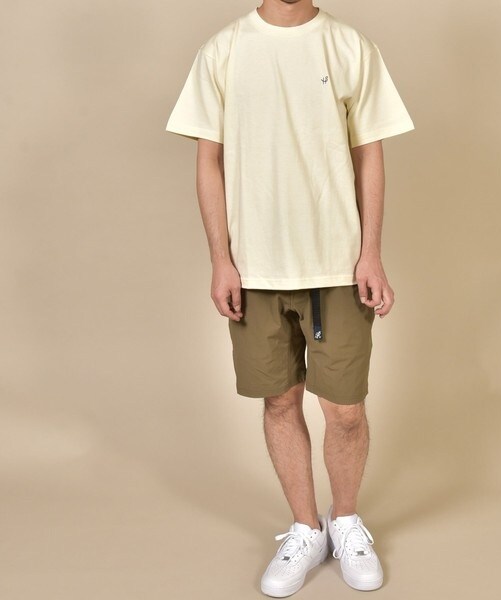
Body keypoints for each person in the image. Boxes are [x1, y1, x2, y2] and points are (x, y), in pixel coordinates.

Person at [165, 0, 414, 596]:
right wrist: (221, 260)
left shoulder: (350, 47)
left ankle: (345, 520)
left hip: (337, 263)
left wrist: (370, 253)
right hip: (255, 267)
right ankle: (306, 528)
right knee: (280, 402)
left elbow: (370, 154)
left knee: (345, 411)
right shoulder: (222, 51)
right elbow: (208, 163)